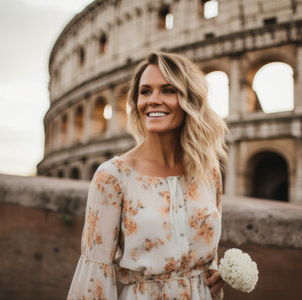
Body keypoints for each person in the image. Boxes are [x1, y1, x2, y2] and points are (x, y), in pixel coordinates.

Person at [66, 51, 228, 299]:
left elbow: (209, 247)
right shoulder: (113, 176)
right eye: (145, 91)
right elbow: (95, 274)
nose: (153, 100)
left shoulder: (208, 170)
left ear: (190, 100)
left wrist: (213, 270)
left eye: (167, 90)